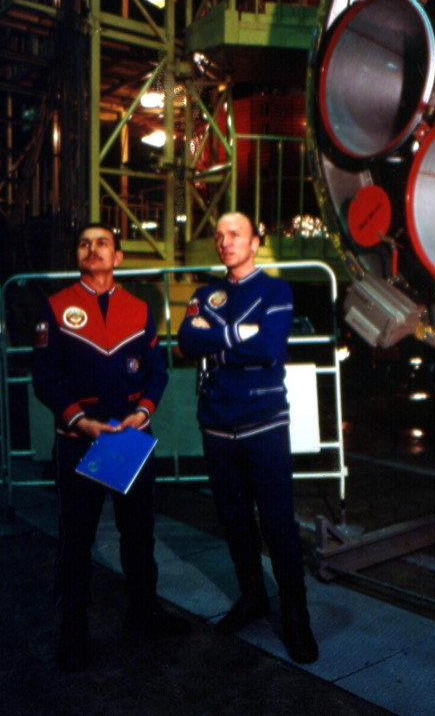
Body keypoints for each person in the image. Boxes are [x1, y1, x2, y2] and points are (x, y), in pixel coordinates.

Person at [32, 222, 189, 672]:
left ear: (117, 257)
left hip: (129, 440)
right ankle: (73, 631)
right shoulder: (55, 307)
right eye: (84, 243)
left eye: (102, 243)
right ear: (77, 255)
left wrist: (142, 413)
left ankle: (144, 611)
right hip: (78, 442)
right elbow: (45, 378)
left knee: (138, 534)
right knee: (76, 539)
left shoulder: (139, 309)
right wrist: (81, 422)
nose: (92, 249)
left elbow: (157, 372)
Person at [177, 211, 318, 664]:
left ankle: (296, 619)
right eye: (219, 236)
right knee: (234, 520)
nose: (225, 242)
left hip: (263, 423)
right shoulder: (205, 293)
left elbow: (270, 347)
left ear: (255, 242)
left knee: (278, 524)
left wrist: (215, 342)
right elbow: (185, 341)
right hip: (217, 424)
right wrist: (239, 334)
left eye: (235, 234)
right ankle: (253, 597)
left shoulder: (276, 291)